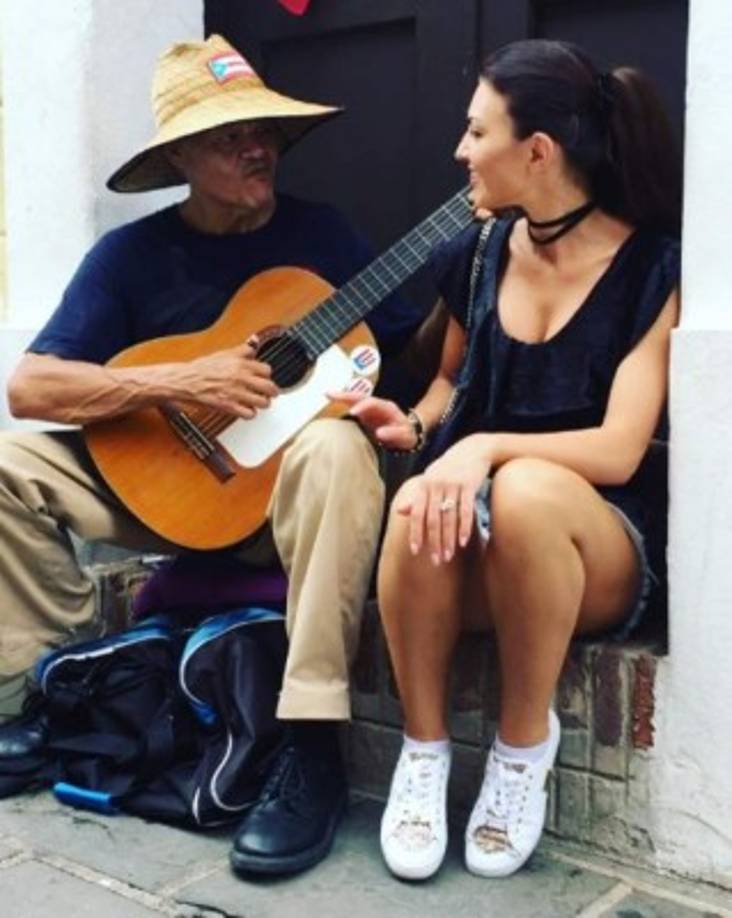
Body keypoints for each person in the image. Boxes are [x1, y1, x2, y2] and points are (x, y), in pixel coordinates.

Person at [0, 34, 430, 875]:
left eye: (262, 131)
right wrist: (179, 380)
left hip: (288, 504)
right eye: (229, 136)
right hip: (169, 490)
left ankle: (310, 746)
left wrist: (480, 274)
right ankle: (51, 693)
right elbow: (31, 389)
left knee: (337, 452)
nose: (255, 147)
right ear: (181, 159)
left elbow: (413, 354)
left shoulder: (326, 237)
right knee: (10, 468)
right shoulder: (130, 257)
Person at [337, 38, 681, 880]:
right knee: (420, 501)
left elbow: (619, 446)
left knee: (524, 489)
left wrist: (484, 448)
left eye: (475, 131)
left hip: (588, 550)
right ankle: (424, 754)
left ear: (537, 151)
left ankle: (522, 748)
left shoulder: (652, 270)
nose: (459, 151)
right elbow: (451, 383)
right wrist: (416, 432)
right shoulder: (480, 253)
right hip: (479, 543)